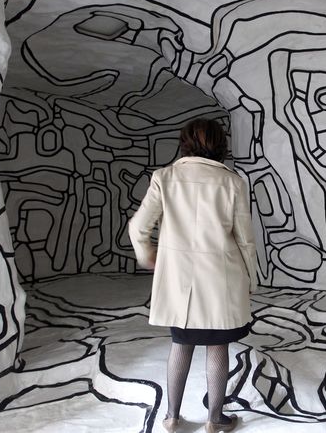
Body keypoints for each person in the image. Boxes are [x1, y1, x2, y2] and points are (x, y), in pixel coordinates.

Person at [129, 118, 258, 433]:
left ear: (184, 142)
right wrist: (250, 280)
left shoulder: (165, 177)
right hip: (221, 279)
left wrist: (149, 256)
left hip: (180, 281)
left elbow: (138, 227)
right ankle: (215, 421)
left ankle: (172, 418)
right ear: (220, 144)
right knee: (217, 347)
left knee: (180, 343)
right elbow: (245, 239)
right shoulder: (233, 182)